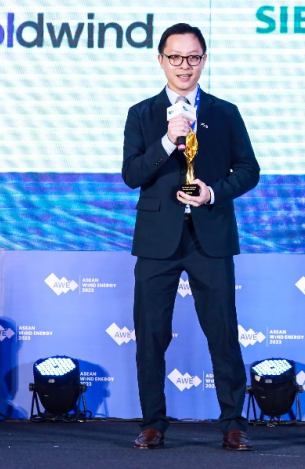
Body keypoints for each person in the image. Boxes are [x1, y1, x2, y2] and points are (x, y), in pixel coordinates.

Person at [121, 22, 260, 451]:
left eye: (193, 57)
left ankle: (233, 423)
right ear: (161, 60)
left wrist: (213, 192)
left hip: (210, 237)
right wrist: (167, 141)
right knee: (151, 334)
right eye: (176, 57)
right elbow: (132, 174)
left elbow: (249, 170)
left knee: (223, 332)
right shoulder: (142, 114)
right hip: (157, 240)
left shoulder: (225, 112)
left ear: (204, 60)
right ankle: (152, 423)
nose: (185, 66)